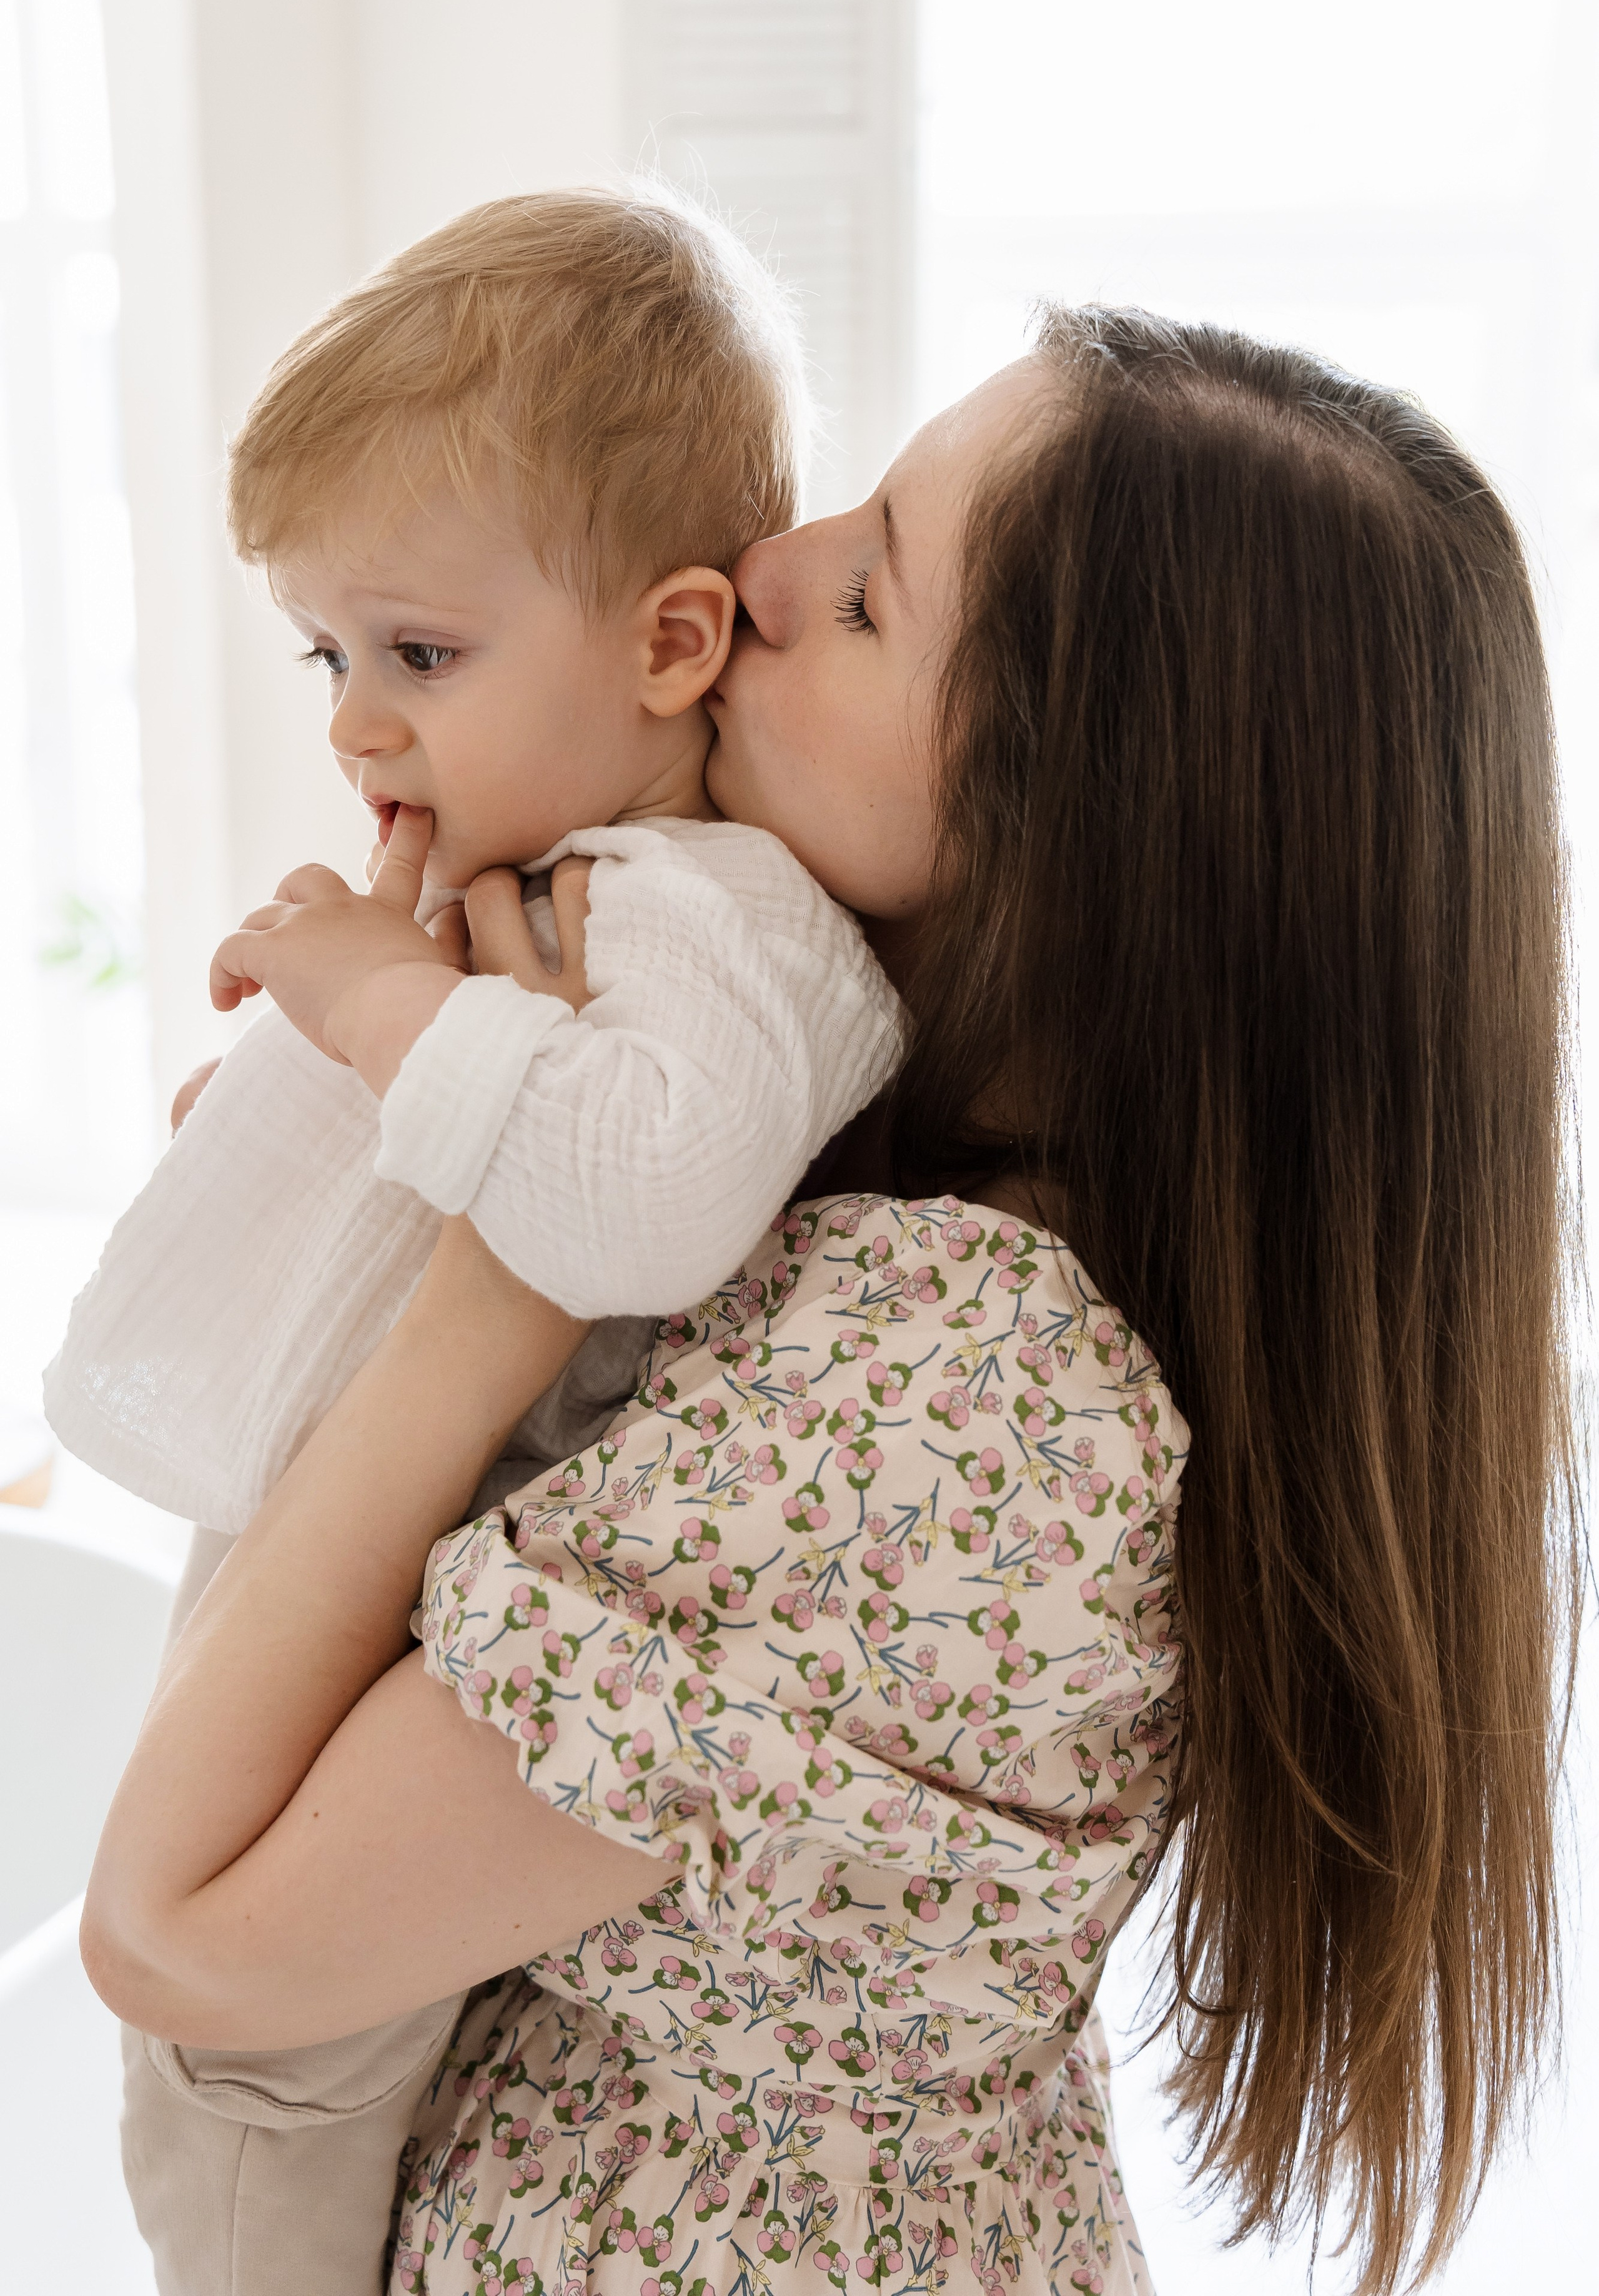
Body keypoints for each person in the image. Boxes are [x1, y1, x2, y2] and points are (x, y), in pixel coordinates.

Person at [82, 305, 1578, 2296]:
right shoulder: (885, 1208)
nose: (764, 569)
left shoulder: (975, 1394)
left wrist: (492, 1274)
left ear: (1087, 835)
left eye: (870, 595)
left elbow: (178, 1933)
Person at [48, 185, 902, 2296]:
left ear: (674, 641)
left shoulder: (717, 912)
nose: (356, 718)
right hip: (363, 1557)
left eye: (419, 653)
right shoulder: (580, 868)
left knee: (254, 2101)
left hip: (419, 1618)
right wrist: (330, 1103)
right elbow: (507, 1136)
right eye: (331, 653)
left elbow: (644, 1193)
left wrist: (379, 1009)